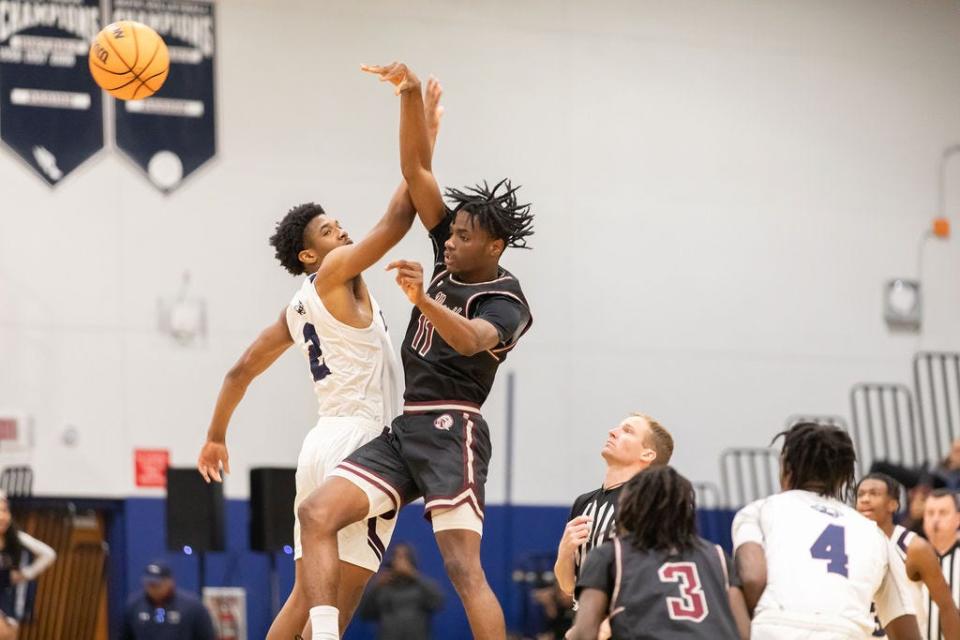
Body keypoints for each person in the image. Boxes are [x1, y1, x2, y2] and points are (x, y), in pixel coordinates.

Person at [195, 81, 446, 639]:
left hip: (318, 449)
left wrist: (216, 435)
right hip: (364, 444)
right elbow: (400, 217)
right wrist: (423, 125)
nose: (346, 233)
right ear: (310, 255)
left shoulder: (295, 308)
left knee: (303, 602)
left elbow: (241, 369)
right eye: (332, 232)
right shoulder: (334, 275)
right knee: (339, 603)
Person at [297, 61, 534, 640]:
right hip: (408, 428)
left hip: (456, 428)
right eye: (447, 234)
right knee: (316, 514)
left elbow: (472, 340)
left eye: (463, 237)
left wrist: (421, 301)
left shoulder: (507, 299)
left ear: (495, 245)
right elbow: (416, 168)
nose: (449, 243)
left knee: (461, 568)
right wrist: (407, 95)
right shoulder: (449, 251)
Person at [733, 422, 921, 639]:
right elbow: (905, 627)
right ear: (843, 478)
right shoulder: (874, 534)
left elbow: (753, 578)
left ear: (786, 468)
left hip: (775, 628)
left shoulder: (759, 511)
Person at [567, 466, 750, 640]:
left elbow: (584, 634)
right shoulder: (717, 555)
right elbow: (743, 632)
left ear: (630, 505)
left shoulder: (611, 554)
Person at [554, 413, 674, 597]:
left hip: (630, 619)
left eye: (627, 431)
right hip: (588, 615)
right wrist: (564, 552)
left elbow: (652, 576)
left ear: (647, 453)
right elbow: (568, 586)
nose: (612, 432)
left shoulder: (649, 503)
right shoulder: (583, 502)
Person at [856, 473, 960, 639]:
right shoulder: (850, 546)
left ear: (893, 504)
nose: (865, 499)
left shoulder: (915, 547)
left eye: (873, 494)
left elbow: (947, 607)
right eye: (860, 494)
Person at [358, 543, 444, 639]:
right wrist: (375, 586)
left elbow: (438, 602)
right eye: (397, 557)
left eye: (403, 557)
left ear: (411, 560)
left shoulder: (420, 585)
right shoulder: (383, 587)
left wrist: (413, 575)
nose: (399, 562)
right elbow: (365, 613)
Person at [0, 492, 55, 639]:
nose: (2, 517)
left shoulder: (15, 537)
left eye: (5, 510)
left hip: (5, 597)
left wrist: (26, 574)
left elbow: (48, 554)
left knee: (9, 633)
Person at [120, 561, 214, 640]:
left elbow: (206, 636)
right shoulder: (134, 606)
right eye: (149, 584)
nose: (153, 589)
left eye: (157, 585)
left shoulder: (192, 607)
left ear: (170, 582)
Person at [920, 489, 960, 639]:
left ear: (958, 519)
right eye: (930, 513)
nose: (935, 519)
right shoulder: (909, 560)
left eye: (943, 513)